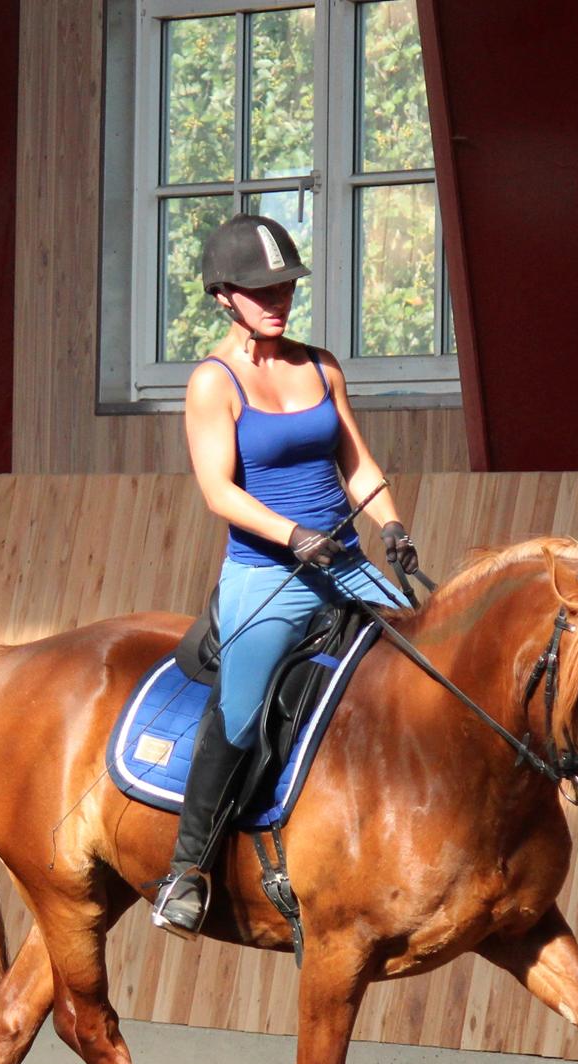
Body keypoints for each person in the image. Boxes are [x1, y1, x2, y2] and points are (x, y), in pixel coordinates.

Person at [151, 211, 422, 940]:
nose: (277, 299)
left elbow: (356, 464)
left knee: (427, 658)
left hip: (345, 560)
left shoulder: (321, 365)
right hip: (267, 574)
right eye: (259, 288)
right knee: (239, 712)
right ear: (223, 296)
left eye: (284, 286)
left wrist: (389, 524)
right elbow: (220, 491)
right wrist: (293, 535)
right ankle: (187, 869)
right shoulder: (213, 383)